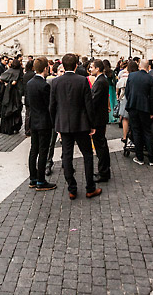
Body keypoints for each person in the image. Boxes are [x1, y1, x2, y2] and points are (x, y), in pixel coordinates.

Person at [50, 54, 100, 199]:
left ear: (63, 66)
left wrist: (56, 124)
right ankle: (90, 188)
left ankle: (72, 188)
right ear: (76, 65)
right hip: (82, 124)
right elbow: (88, 104)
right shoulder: (82, 81)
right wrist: (92, 124)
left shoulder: (56, 82)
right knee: (88, 155)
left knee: (67, 156)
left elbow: (52, 106)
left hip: (64, 125)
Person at [25, 57, 57, 191]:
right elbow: (48, 105)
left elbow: (27, 102)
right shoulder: (44, 85)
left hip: (33, 120)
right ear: (45, 68)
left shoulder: (30, 83)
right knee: (43, 151)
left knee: (34, 149)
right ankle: (41, 180)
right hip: (44, 121)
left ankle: (32, 178)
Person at [125, 58, 153, 165]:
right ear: (148, 67)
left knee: (136, 132)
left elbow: (127, 93)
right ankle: (151, 158)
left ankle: (140, 158)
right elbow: (152, 97)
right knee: (147, 132)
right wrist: (152, 111)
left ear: (139, 66)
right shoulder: (150, 78)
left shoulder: (132, 76)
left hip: (133, 107)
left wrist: (131, 102)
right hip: (145, 108)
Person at [89, 59, 111, 182]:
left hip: (98, 119)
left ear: (97, 69)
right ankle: (104, 170)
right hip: (100, 117)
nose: (90, 69)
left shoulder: (101, 81)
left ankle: (104, 172)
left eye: (92, 67)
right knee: (101, 145)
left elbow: (94, 100)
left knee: (100, 146)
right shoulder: (101, 80)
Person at [0, 58, 23, 135]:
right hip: (15, 94)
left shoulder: (9, 71)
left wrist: (6, 83)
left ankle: (7, 128)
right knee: (16, 109)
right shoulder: (19, 71)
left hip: (8, 94)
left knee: (8, 109)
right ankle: (15, 126)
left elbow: (1, 78)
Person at [116, 60, 136, 143]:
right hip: (134, 98)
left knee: (125, 118)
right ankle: (133, 135)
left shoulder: (124, 76)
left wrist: (118, 94)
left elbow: (118, 85)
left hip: (125, 98)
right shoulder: (136, 76)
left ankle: (124, 136)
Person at [22, 59, 36, 136]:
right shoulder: (33, 75)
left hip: (26, 96)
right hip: (32, 96)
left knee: (27, 114)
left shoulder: (25, 74)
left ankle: (27, 129)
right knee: (31, 113)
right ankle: (30, 129)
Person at [103, 59, 118, 125]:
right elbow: (114, 81)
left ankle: (109, 118)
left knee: (107, 103)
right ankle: (114, 116)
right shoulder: (111, 72)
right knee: (113, 102)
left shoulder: (103, 72)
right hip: (111, 87)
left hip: (106, 88)